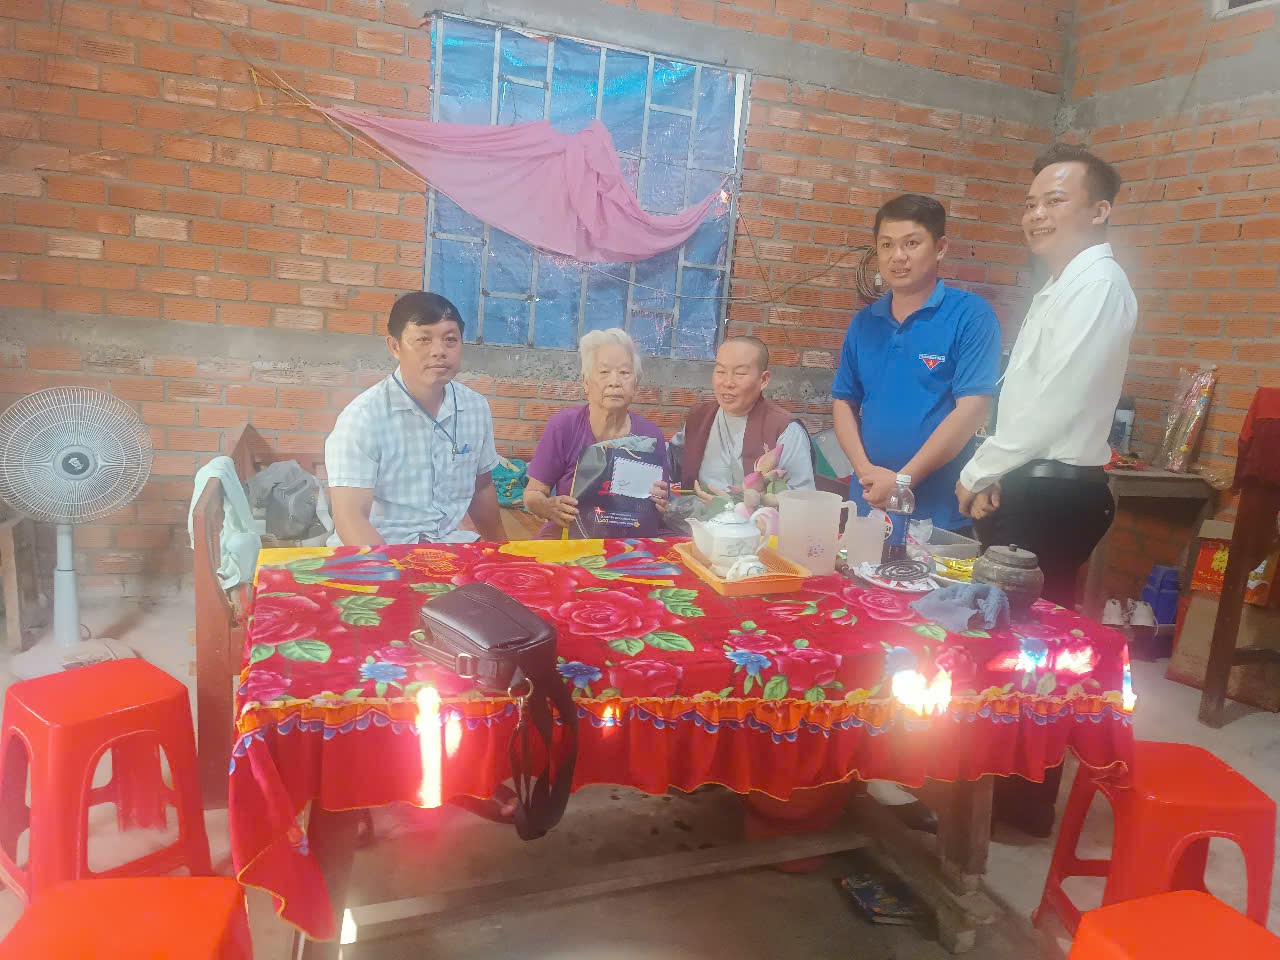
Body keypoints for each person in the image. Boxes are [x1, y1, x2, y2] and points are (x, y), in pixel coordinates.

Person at [956, 144, 1137, 837]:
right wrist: (998, 470)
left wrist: (980, 469)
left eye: (1055, 200)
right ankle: (995, 789)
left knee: (1034, 651)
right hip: (1032, 482)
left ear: (1100, 210)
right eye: (1031, 203)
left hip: (1055, 491)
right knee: (1009, 643)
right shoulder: (1062, 285)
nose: (1037, 214)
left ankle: (1021, 800)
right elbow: (1025, 400)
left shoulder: (1099, 285)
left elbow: (1055, 402)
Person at [831, 194, 1001, 531]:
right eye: (886, 245)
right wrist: (864, 471)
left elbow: (972, 410)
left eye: (911, 243)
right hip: (869, 507)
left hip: (937, 515)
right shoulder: (864, 323)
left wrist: (902, 481)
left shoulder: (970, 315)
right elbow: (843, 401)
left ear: (940, 248)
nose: (898, 256)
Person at [325, 291, 504, 546]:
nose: (439, 351)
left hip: (447, 544)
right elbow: (351, 518)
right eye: (423, 339)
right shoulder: (363, 418)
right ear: (395, 346)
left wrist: (502, 553)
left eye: (450, 340)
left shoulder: (475, 408)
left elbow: (482, 488)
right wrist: (389, 569)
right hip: (378, 548)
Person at [524, 328, 669, 536]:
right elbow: (532, 495)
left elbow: (661, 506)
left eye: (625, 373)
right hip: (568, 534)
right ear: (586, 382)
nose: (614, 382)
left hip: (630, 539)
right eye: (604, 372)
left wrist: (661, 504)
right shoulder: (564, 426)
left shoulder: (651, 436)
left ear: (636, 384)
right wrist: (549, 507)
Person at [680, 336, 815, 496]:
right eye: (720, 371)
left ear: (763, 380)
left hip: (757, 513)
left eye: (740, 373)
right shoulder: (699, 417)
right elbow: (670, 463)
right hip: (696, 511)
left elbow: (801, 498)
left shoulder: (784, 429)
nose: (727, 382)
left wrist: (732, 505)